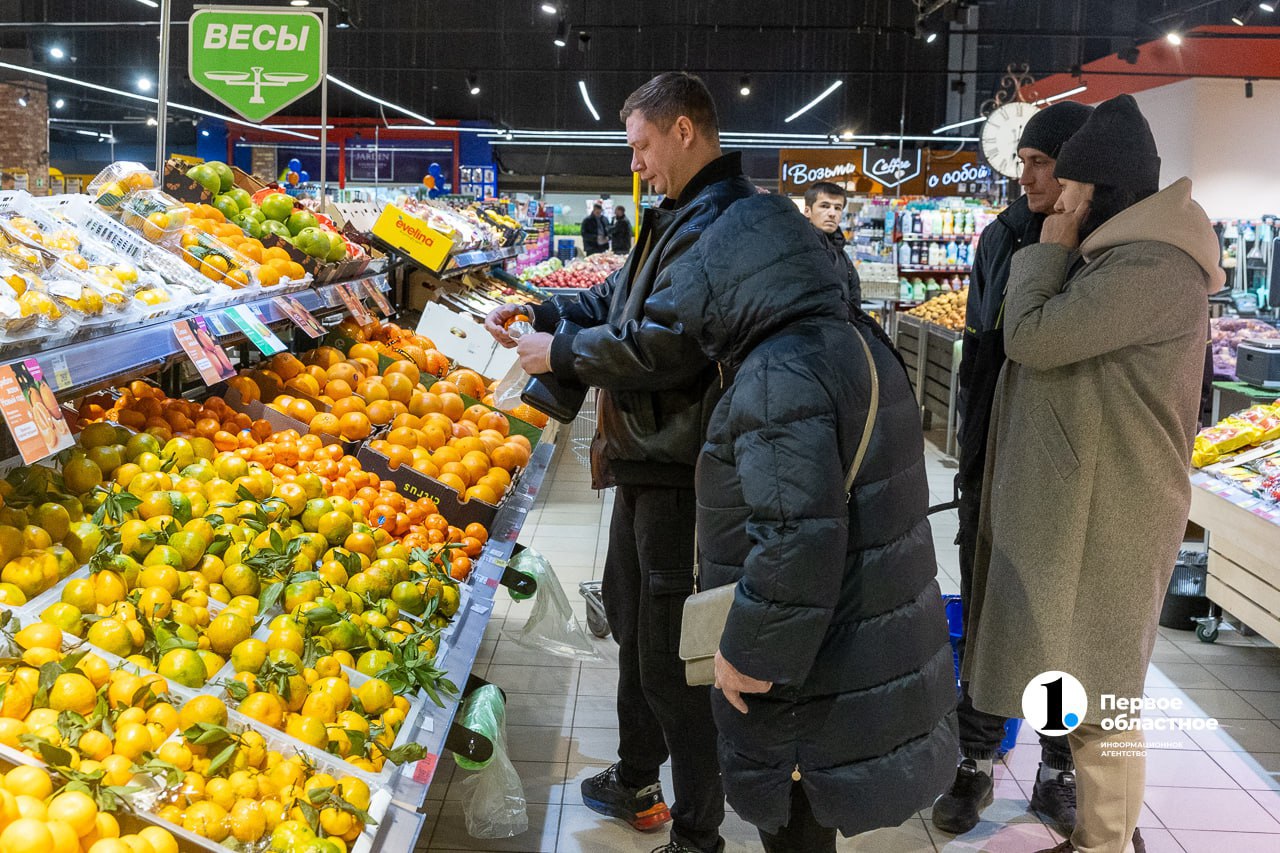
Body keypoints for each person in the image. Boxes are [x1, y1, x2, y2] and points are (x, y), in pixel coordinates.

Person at [483, 71, 755, 853]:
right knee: (636, 637)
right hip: (644, 460)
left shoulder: (718, 223)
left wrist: (562, 351)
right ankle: (637, 777)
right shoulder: (678, 214)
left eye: (641, 146)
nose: (634, 163)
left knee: (673, 660)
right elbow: (619, 301)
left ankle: (698, 833)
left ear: (683, 131)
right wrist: (542, 310)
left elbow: (668, 344)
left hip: (680, 470)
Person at [649, 193, 957, 853]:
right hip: (859, 637)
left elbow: (795, 537)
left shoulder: (778, 372)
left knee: (796, 827)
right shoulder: (856, 337)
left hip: (808, 672)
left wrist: (750, 652)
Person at [963, 94, 1224, 853]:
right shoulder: (1122, 257)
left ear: (1101, 189)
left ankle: (1106, 842)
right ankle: (1094, 835)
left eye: (1070, 183)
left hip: (1114, 514)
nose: (1058, 198)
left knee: (1106, 700)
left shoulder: (1151, 266)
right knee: (1079, 685)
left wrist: (1048, 247)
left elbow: (1033, 337)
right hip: (1092, 505)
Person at [935, 101, 1093, 839]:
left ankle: (1056, 767)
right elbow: (980, 352)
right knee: (987, 609)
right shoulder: (999, 236)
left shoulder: (1104, 245)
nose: (1024, 176)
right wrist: (970, 459)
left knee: (1059, 627)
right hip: (993, 459)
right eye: (1022, 161)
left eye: (1040, 162)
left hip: (1065, 469)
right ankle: (974, 760)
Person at [802, 181, 861, 306]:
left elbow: (854, 299)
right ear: (807, 211)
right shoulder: (796, 249)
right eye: (824, 206)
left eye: (838, 208)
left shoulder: (843, 256)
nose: (832, 213)